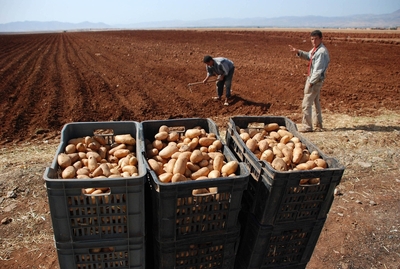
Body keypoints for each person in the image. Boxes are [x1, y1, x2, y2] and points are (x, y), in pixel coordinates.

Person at [289, 30, 330, 132]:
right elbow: (309, 56)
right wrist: (298, 52)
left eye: (316, 39)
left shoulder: (321, 52)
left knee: (306, 103)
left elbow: (318, 70)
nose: (314, 41)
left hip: (314, 81)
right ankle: (318, 124)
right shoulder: (316, 49)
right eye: (312, 39)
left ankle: (307, 126)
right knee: (316, 102)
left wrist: (311, 82)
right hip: (313, 79)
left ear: (321, 39)